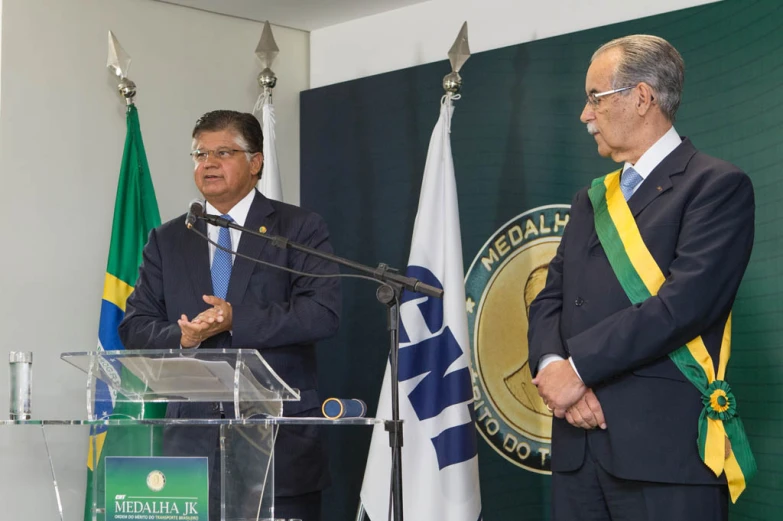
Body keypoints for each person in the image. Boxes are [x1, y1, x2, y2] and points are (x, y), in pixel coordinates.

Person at [527, 35, 755, 521]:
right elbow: (551, 298)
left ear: (643, 97)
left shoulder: (714, 185)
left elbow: (684, 304)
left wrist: (579, 370)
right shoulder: (590, 199)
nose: (584, 115)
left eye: (594, 97)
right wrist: (552, 367)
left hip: (662, 455)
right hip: (578, 448)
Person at [118, 110, 341, 521]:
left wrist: (237, 319)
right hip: (191, 448)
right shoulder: (168, 239)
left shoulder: (298, 228)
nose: (208, 163)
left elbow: (321, 313)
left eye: (223, 151)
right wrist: (182, 338)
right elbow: (134, 326)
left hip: (279, 444)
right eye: (200, 153)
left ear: (255, 162)